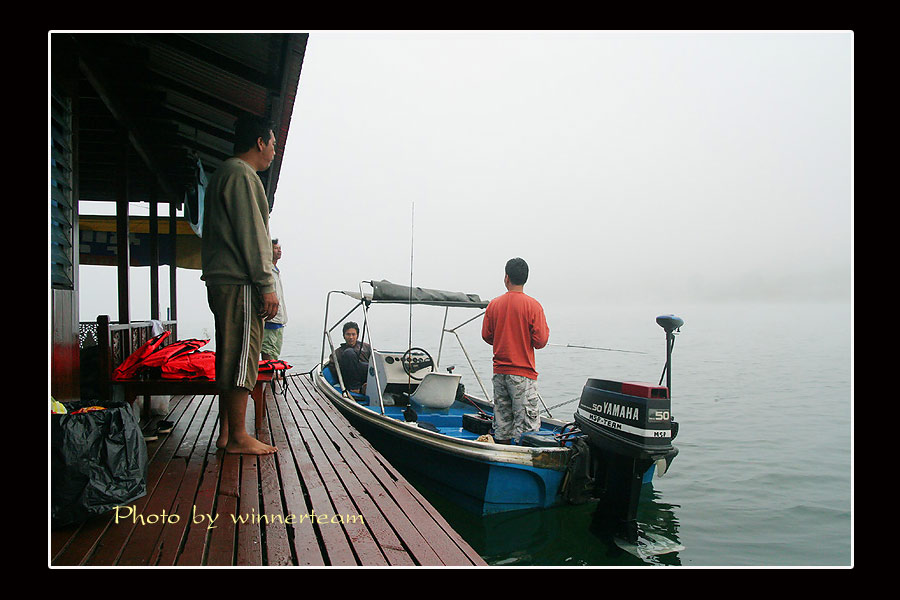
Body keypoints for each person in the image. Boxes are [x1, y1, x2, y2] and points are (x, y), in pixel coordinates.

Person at [201, 114, 279, 455]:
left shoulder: (225, 172)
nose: (274, 151)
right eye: (273, 143)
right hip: (240, 281)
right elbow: (253, 235)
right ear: (259, 142)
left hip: (224, 279)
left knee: (230, 354)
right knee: (242, 356)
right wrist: (267, 283)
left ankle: (226, 433)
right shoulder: (243, 175)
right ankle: (238, 437)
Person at [481, 257, 550, 444]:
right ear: (525, 278)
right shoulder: (533, 306)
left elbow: (486, 336)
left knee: (502, 425)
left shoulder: (494, 305)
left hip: (500, 373)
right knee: (526, 427)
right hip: (523, 375)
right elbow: (541, 341)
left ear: (506, 278)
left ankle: (501, 457)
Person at [261, 238, 288, 361]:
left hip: (279, 318)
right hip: (270, 317)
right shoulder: (266, 269)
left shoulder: (276, 270)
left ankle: (274, 373)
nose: (279, 251)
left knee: (276, 349)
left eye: (280, 248)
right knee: (268, 348)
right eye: (276, 248)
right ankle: (268, 375)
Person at [330, 322, 371, 393]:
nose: (351, 337)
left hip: (366, 376)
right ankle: (356, 389)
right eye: (348, 334)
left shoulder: (366, 347)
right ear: (344, 336)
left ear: (357, 335)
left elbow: (376, 359)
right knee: (349, 353)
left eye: (353, 334)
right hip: (350, 379)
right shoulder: (338, 352)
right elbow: (334, 369)